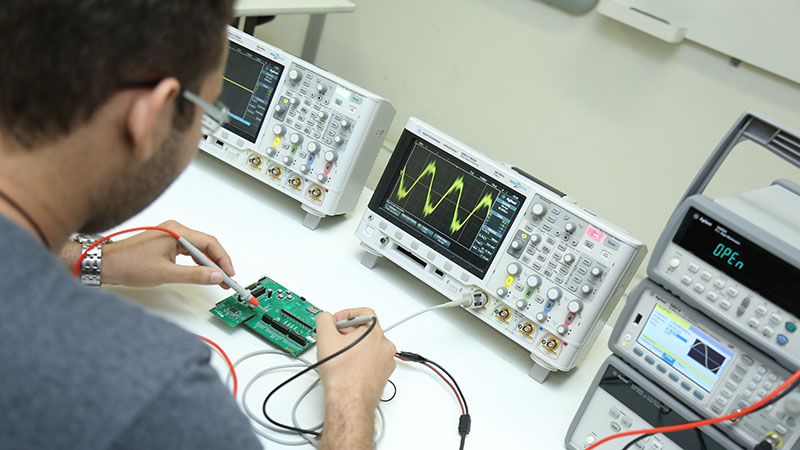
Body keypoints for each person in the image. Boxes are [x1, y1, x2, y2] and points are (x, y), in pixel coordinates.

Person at [0, 2, 396, 449]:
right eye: (211, 111)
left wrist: (89, 259)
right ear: (150, 116)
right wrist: (351, 396)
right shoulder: (158, 396)